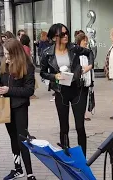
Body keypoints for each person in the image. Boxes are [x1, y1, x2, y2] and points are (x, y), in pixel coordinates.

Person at [40, 23, 94, 156]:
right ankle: (66, 155)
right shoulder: (47, 53)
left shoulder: (73, 48)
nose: (66, 36)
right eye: (61, 34)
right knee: (64, 127)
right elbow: (42, 72)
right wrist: (54, 76)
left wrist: (89, 66)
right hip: (60, 91)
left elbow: (89, 52)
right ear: (53, 37)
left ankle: (83, 158)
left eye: (66, 33)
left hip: (78, 89)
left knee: (80, 126)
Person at [0, 38, 36, 180]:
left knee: (22, 139)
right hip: (6, 106)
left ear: (16, 53)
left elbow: (29, 90)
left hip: (20, 107)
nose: (6, 57)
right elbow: (3, 84)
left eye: (9, 54)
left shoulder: (27, 66)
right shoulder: (4, 65)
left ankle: (30, 173)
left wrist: (8, 89)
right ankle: (18, 168)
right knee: (13, 138)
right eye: (5, 54)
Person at [75, 33, 94, 121]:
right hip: (78, 78)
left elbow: (91, 64)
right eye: (84, 40)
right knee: (79, 96)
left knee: (85, 96)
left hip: (87, 78)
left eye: (86, 40)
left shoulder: (88, 52)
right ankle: (80, 113)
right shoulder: (75, 52)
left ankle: (84, 113)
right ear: (79, 42)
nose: (86, 42)